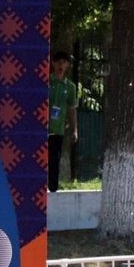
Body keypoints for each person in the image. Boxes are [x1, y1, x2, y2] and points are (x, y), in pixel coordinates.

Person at [48, 50, 79, 192]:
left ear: (67, 65)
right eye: (58, 62)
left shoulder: (70, 87)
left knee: (55, 160)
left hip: (58, 128)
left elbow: (72, 109)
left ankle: (52, 188)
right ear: (53, 63)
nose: (61, 65)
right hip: (43, 127)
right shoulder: (47, 81)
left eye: (64, 62)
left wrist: (74, 130)